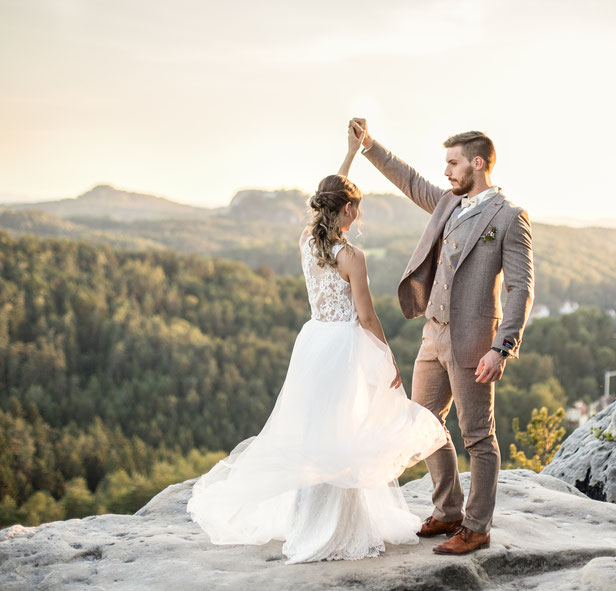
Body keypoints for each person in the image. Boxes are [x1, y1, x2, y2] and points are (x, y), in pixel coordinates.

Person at [186, 125, 447, 564]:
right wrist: (387, 358)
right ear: (347, 210)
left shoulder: (308, 242)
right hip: (345, 348)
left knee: (316, 435)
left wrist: (349, 154)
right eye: (356, 210)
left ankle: (310, 523)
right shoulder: (353, 258)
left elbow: (329, 195)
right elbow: (366, 317)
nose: (357, 218)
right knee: (344, 435)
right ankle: (337, 531)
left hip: (313, 346)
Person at [349, 118, 534, 555]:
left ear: (477, 163)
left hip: (474, 343)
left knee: (478, 437)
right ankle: (449, 510)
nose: (446, 172)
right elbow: (410, 181)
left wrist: (501, 347)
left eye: (453, 163)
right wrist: (370, 146)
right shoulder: (448, 204)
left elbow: (521, 287)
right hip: (433, 336)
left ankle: (477, 526)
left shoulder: (509, 217)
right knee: (424, 426)